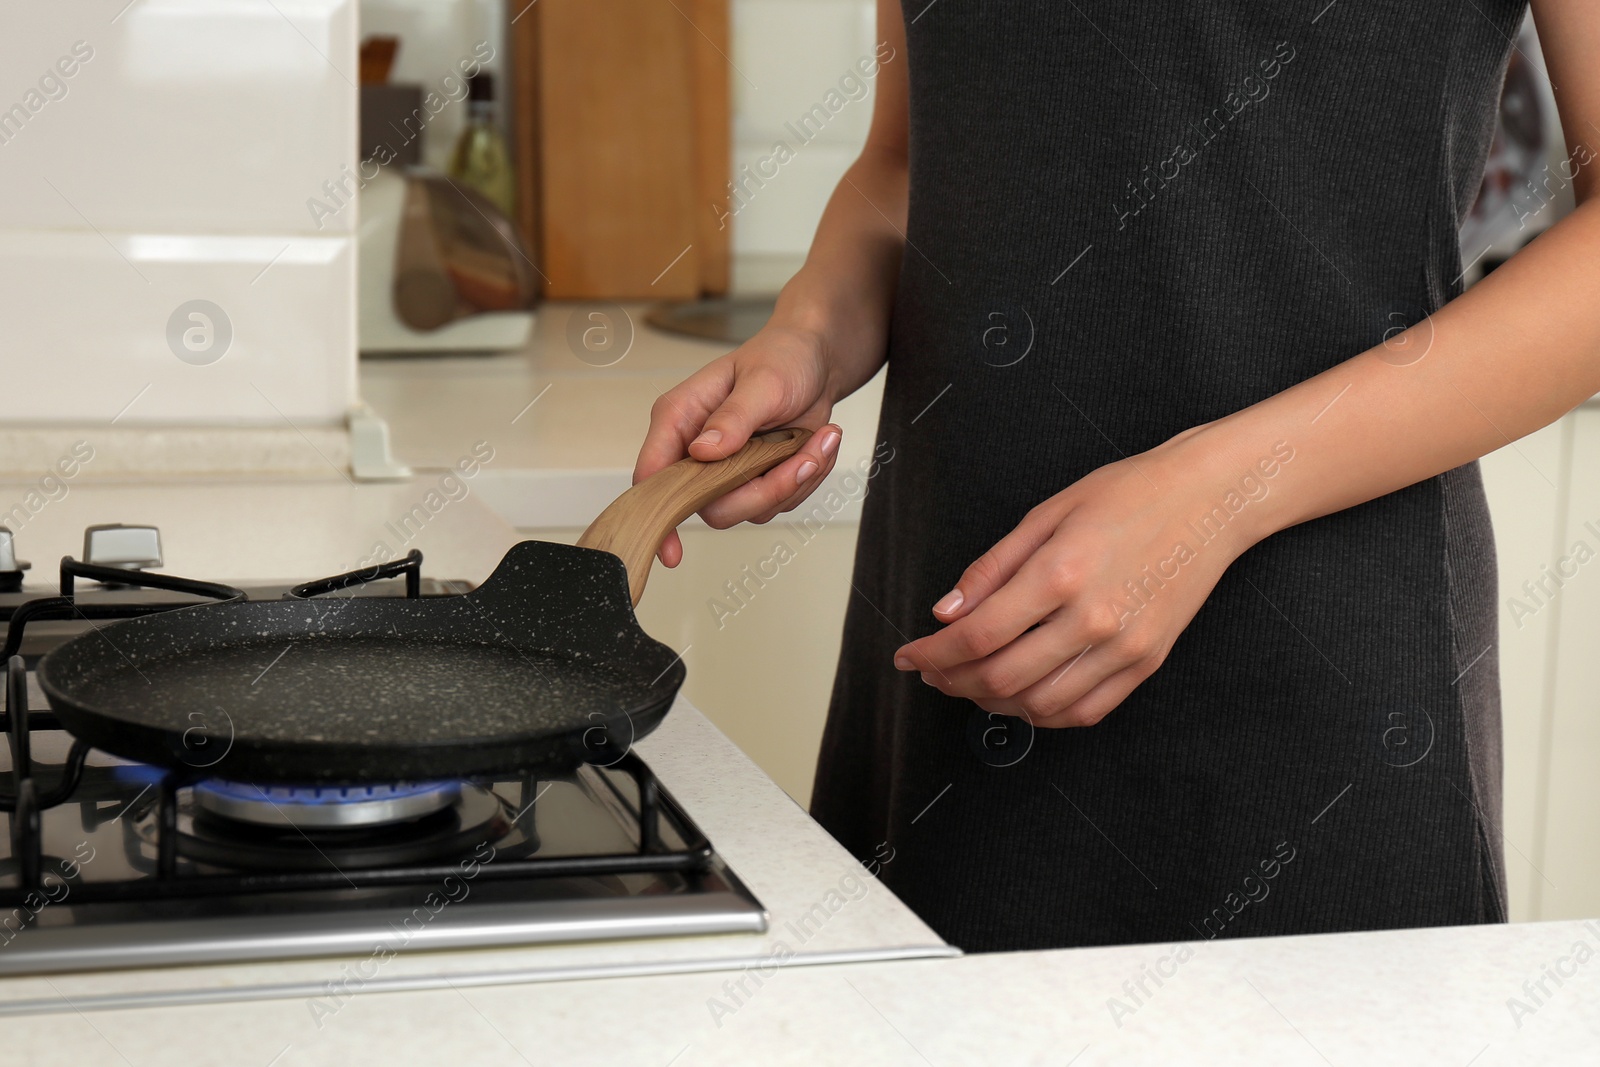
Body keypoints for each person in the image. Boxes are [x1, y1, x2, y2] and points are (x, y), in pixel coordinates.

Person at [633, 0, 1600, 951]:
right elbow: (910, 158)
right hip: (955, 660)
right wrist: (809, 333)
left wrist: (1219, 494)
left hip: (1319, 701)